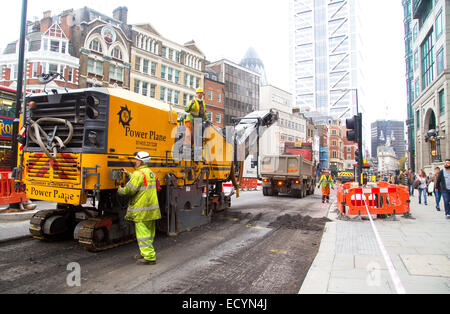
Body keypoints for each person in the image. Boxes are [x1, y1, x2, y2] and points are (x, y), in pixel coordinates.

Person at [118, 151, 161, 265]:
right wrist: (128, 174)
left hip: (142, 209)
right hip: (151, 209)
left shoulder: (138, 174)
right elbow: (141, 180)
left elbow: (129, 190)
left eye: (137, 160)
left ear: (141, 162)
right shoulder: (150, 173)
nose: (135, 161)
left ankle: (149, 257)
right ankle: (145, 252)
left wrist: (119, 189)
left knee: (142, 234)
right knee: (149, 232)